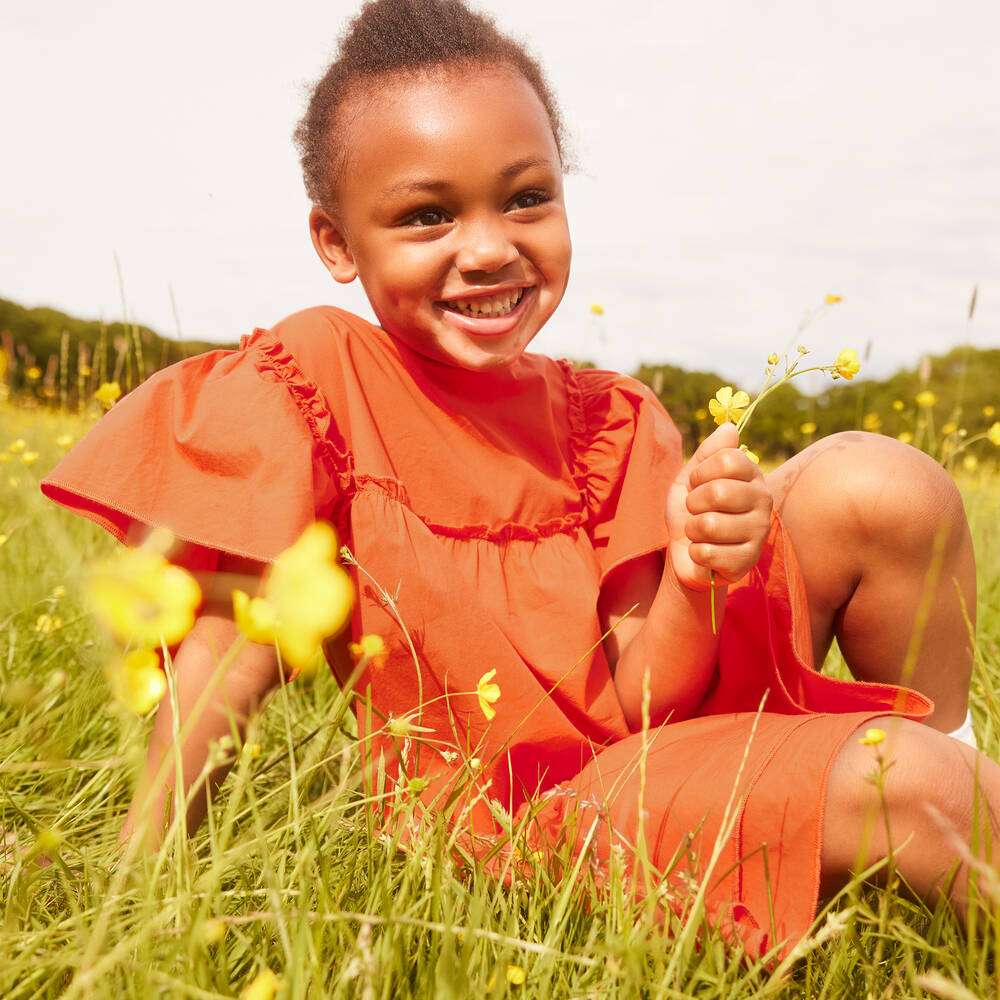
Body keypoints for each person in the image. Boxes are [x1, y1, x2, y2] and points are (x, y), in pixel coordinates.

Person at [41, 0, 997, 959]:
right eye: (427, 215)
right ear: (335, 243)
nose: (490, 246)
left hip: (661, 748)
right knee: (893, 776)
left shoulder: (608, 420)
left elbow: (642, 703)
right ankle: (933, 808)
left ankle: (944, 827)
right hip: (530, 827)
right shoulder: (315, 379)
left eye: (525, 198)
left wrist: (700, 576)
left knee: (884, 482)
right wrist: (138, 882)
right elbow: (227, 648)